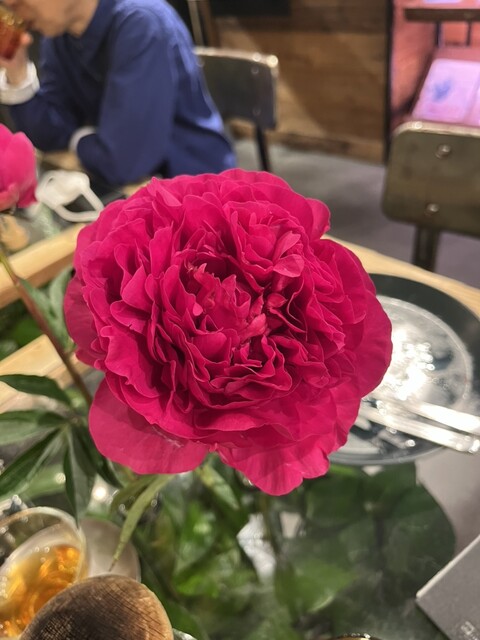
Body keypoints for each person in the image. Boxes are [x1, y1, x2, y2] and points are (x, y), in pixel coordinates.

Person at [0, 0, 236, 186]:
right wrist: (17, 74)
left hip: (195, 188)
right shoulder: (60, 37)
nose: (10, 3)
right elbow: (48, 136)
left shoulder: (141, 23)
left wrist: (77, 138)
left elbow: (124, 162)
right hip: (133, 186)